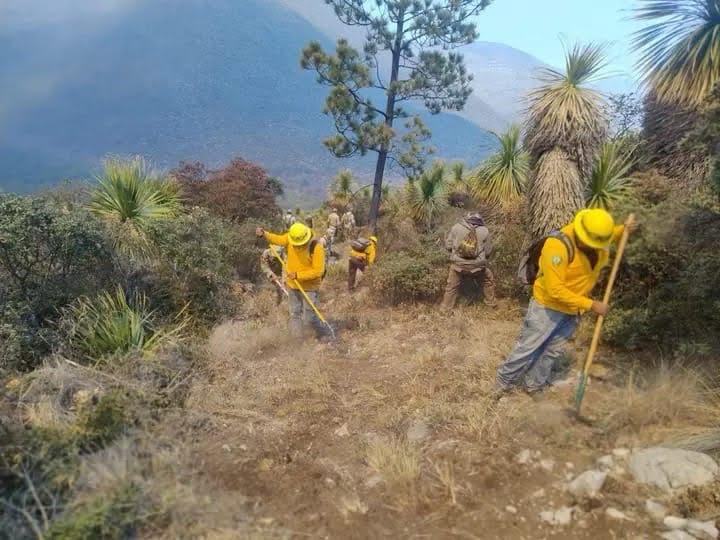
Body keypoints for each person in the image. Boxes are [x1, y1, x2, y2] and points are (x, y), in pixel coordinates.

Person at [496, 208, 634, 395]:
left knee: (552, 351)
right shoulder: (557, 246)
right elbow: (555, 290)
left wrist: (623, 229)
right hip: (547, 308)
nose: (596, 247)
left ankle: (533, 385)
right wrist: (591, 304)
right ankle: (502, 384)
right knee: (528, 348)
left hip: (573, 309)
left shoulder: (596, 239)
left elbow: (607, 237)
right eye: (592, 243)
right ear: (581, 233)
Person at [256, 222, 327, 338]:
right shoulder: (290, 238)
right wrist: (265, 234)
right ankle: (297, 339)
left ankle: (321, 334)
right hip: (293, 285)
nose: (297, 246)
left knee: (309, 317)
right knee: (295, 313)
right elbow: (278, 239)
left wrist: (298, 275)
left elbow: (318, 271)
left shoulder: (316, 247)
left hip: (310, 287)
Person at [440, 212, 496, 310]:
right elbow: (488, 252)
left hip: (458, 265)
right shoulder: (484, 230)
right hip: (477, 266)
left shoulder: (456, 227)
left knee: (451, 286)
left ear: (466, 218)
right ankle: (491, 304)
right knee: (488, 280)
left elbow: (448, 246)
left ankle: (445, 308)